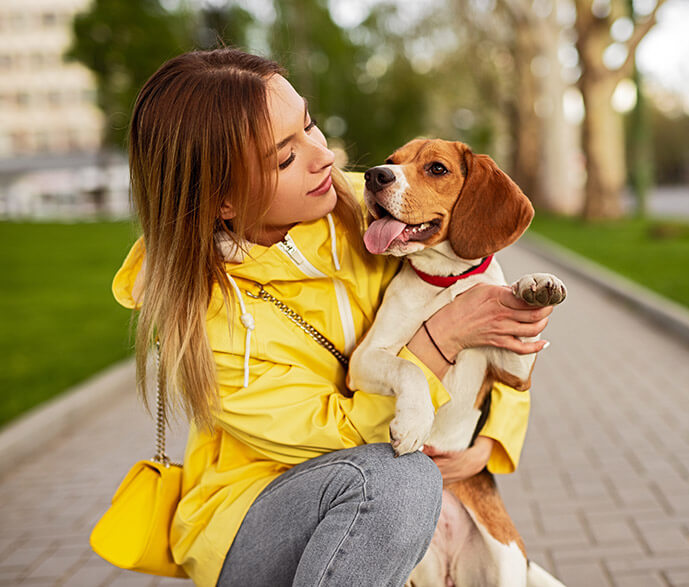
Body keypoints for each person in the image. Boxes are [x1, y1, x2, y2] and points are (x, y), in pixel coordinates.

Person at [112, 48, 553, 586]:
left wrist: (490, 440)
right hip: (252, 520)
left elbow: (482, 292)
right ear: (224, 200)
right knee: (397, 485)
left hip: (386, 489)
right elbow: (338, 435)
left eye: (309, 125)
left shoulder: (359, 208)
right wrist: (444, 338)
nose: (322, 157)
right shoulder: (204, 319)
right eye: (284, 158)